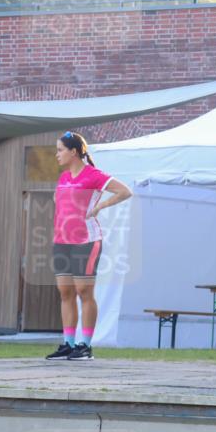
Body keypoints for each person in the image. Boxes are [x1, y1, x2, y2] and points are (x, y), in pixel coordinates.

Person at [45, 131, 132, 361]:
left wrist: (100, 206)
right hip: (62, 241)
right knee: (65, 292)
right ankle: (69, 344)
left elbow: (125, 191)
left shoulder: (93, 175)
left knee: (84, 291)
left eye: (60, 150)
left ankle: (85, 346)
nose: (57, 154)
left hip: (86, 241)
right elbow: (58, 201)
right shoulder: (63, 178)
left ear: (74, 152)